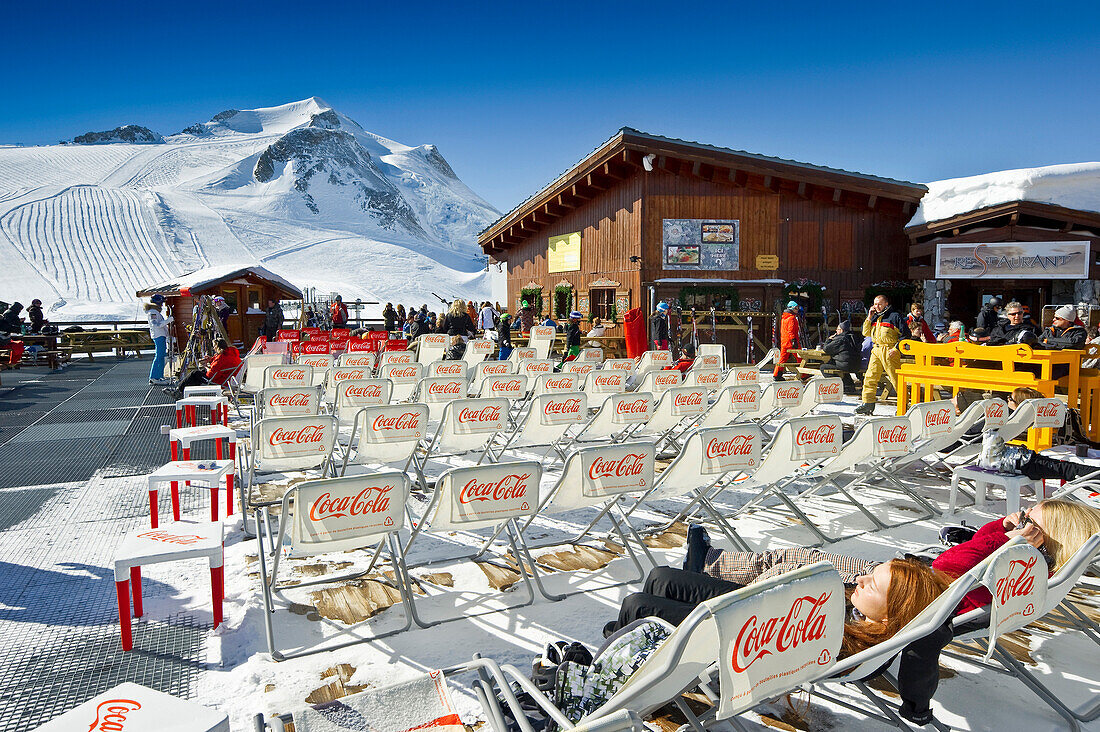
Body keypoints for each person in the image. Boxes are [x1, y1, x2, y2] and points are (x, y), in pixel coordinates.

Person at [610, 543, 950, 661]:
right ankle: (631, 641)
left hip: (740, 635)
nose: (863, 580)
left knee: (637, 605)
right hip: (750, 609)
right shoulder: (863, 612)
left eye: (872, 585)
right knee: (660, 577)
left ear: (891, 613)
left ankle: (617, 665)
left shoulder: (841, 637)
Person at [856, 294, 904, 415]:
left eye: (879, 304)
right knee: (870, 377)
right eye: (875, 304)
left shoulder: (895, 316)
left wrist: (896, 348)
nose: (876, 306)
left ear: (886, 304)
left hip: (889, 351)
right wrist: (869, 317)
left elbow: (905, 335)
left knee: (896, 378)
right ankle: (868, 404)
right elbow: (866, 333)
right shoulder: (875, 317)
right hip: (876, 349)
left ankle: (904, 405)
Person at [169, 338, 241, 398]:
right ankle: (182, 391)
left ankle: (179, 391)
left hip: (222, 381)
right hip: (230, 378)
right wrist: (211, 359)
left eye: (214, 346)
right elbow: (220, 365)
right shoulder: (231, 353)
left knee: (195, 374)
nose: (213, 348)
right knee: (200, 373)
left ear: (218, 347)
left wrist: (206, 366)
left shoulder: (221, 358)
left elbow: (210, 375)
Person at [821, 321, 861, 395]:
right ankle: (849, 385)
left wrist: (829, 340)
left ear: (842, 330)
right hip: (857, 365)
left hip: (846, 365)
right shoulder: (854, 337)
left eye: (838, 329)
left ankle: (839, 386)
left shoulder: (840, 339)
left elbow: (826, 349)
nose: (836, 331)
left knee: (824, 367)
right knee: (839, 365)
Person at [145, 295, 173, 385]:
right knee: (159, 356)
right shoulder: (152, 312)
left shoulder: (155, 312)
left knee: (161, 356)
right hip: (158, 336)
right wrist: (168, 321)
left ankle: (159, 376)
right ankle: (154, 377)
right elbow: (156, 325)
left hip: (161, 335)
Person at [773, 301, 800, 381]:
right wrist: (794, 340)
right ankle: (804, 374)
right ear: (791, 308)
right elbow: (791, 330)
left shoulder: (784, 317)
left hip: (784, 341)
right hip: (791, 342)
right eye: (796, 308)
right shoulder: (791, 318)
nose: (797, 310)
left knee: (782, 359)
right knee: (800, 357)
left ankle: (777, 374)